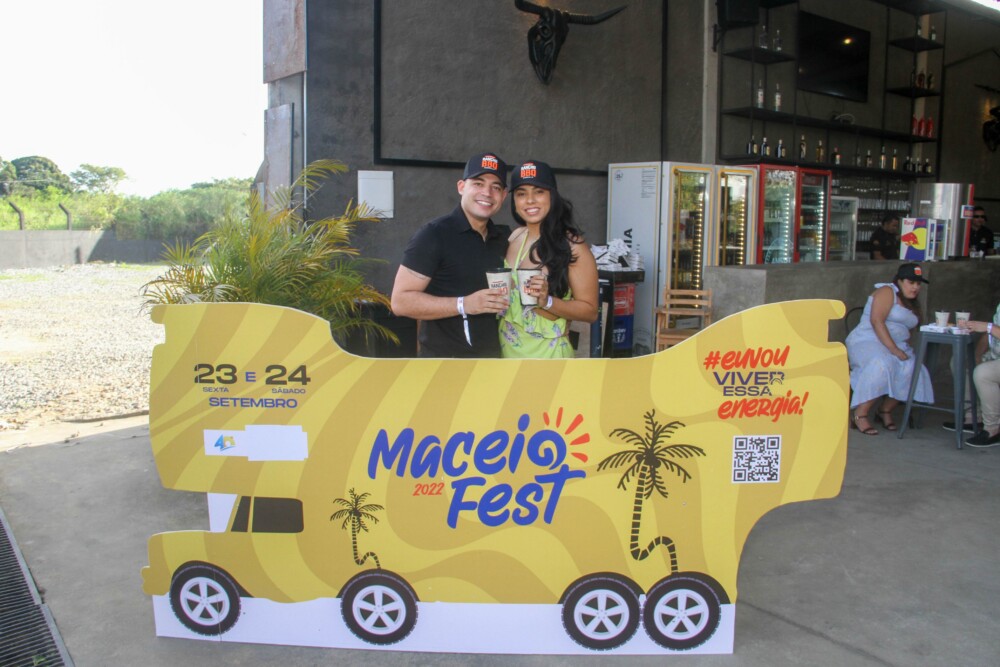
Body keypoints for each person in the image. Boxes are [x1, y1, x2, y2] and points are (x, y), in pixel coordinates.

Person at [391, 152, 511, 358]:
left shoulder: (503, 238)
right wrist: (464, 304)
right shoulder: (434, 234)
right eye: (478, 183)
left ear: (504, 195)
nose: (487, 193)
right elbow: (400, 302)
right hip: (445, 364)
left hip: (494, 362)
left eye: (496, 187)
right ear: (461, 187)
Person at [500, 160, 598, 358]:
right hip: (507, 354)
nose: (530, 200)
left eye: (539, 192)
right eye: (521, 194)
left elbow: (590, 312)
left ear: (552, 196)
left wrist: (547, 302)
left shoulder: (572, 245)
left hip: (548, 357)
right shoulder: (515, 237)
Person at [846, 263, 934, 435]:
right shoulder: (887, 291)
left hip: (897, 345)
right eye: (911, 282)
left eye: (918, 284)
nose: (915, 287)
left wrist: (901, 348)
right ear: (899, 281)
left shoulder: (911, 303)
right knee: (882, 364)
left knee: (914, 369)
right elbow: (877, 321)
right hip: (867, 341)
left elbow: (906, 330)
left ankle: (885, 410)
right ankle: (860, 414)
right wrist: (894, 349)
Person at [956, 306, 1000, 447]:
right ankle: (973, 418)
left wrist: (988, 327)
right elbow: (991, 334)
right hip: (995, 355)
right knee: (962, 361)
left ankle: (993, 429)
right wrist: (977, 355)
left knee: (983, 373)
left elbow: (991, 329)